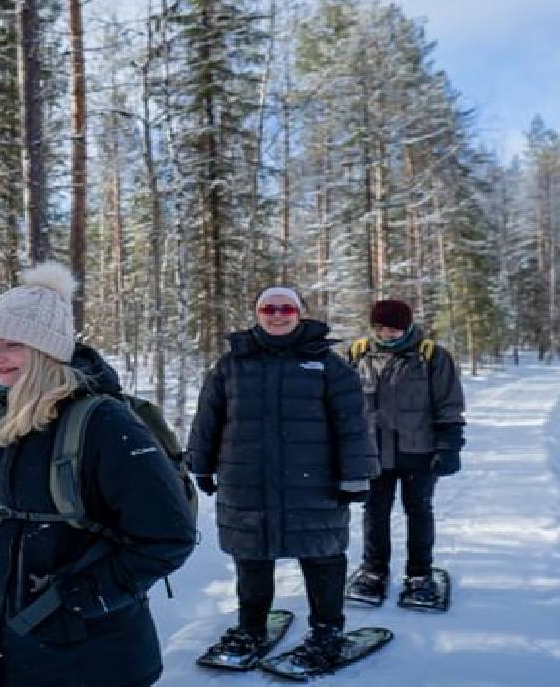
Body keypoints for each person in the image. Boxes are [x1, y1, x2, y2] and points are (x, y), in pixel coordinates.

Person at [0, 262, 197, 687]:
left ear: (47, 351)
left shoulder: (103, 425)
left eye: (13, 344)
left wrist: (77, 600)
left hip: (79, 652)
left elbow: (166, 537)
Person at [187, 286, 378, 670]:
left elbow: (353, 424)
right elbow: (209, 419)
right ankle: (250, 629)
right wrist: (201, 464)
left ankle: (327, 632)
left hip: (316, 483)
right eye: (269, 308)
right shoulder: (232, 364)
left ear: (299, 313)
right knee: (252, 558)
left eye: (286, 308)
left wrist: (356, 475)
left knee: (322, 556)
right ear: (257, 314)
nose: (277, 315)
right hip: (247, 482)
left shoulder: (327, 364)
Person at [345, 299, 465, 608]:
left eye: (394, 327)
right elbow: (340, 405)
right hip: (373, 453)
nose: (387, 334)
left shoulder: (431, 357)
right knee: (374, 512)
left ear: (407, 326)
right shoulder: (357, 355)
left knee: (419, 511)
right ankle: (373, 572)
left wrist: (449, 446)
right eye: (380, 328)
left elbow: (448, 403)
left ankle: (419, 575)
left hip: (419, 452)